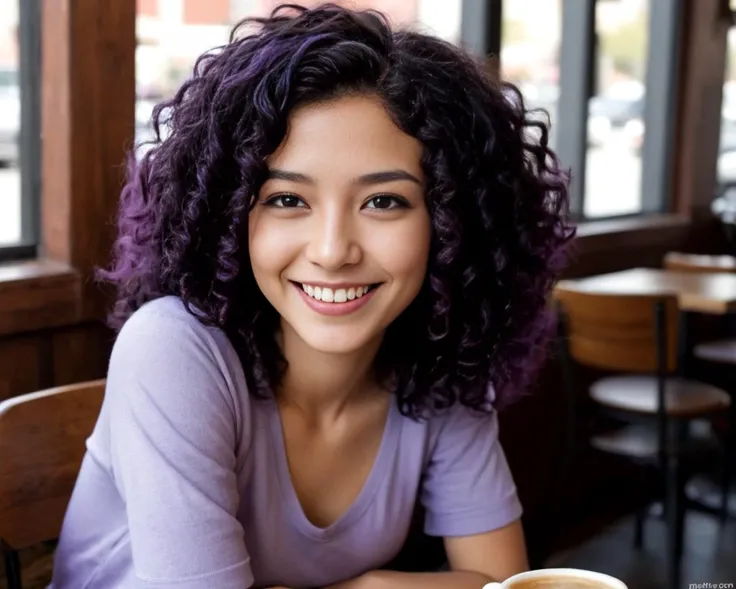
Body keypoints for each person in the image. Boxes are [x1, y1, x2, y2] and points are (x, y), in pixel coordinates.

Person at [50, 3, 573, 588]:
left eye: (384, 202)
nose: (332, 250)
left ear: (453, 224)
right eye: (287, 200)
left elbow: (501, 581)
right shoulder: (173, 350)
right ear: (228, 216)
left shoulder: (438, 370)